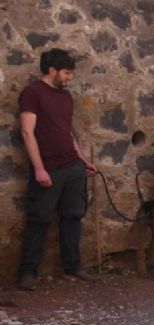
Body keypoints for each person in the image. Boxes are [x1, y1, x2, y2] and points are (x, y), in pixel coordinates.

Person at [17, 48, 98, 291]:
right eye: (66, 72)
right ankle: (28, 271)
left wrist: (83, 160)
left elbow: (67, 133)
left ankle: (72, 265)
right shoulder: (32, 93)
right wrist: (39, 169)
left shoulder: (65, 97)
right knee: (39, 219)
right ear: (51, 70)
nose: (69, 77)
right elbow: (27, 132)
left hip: (72, 167)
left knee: (73, 216)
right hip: (48, 168)